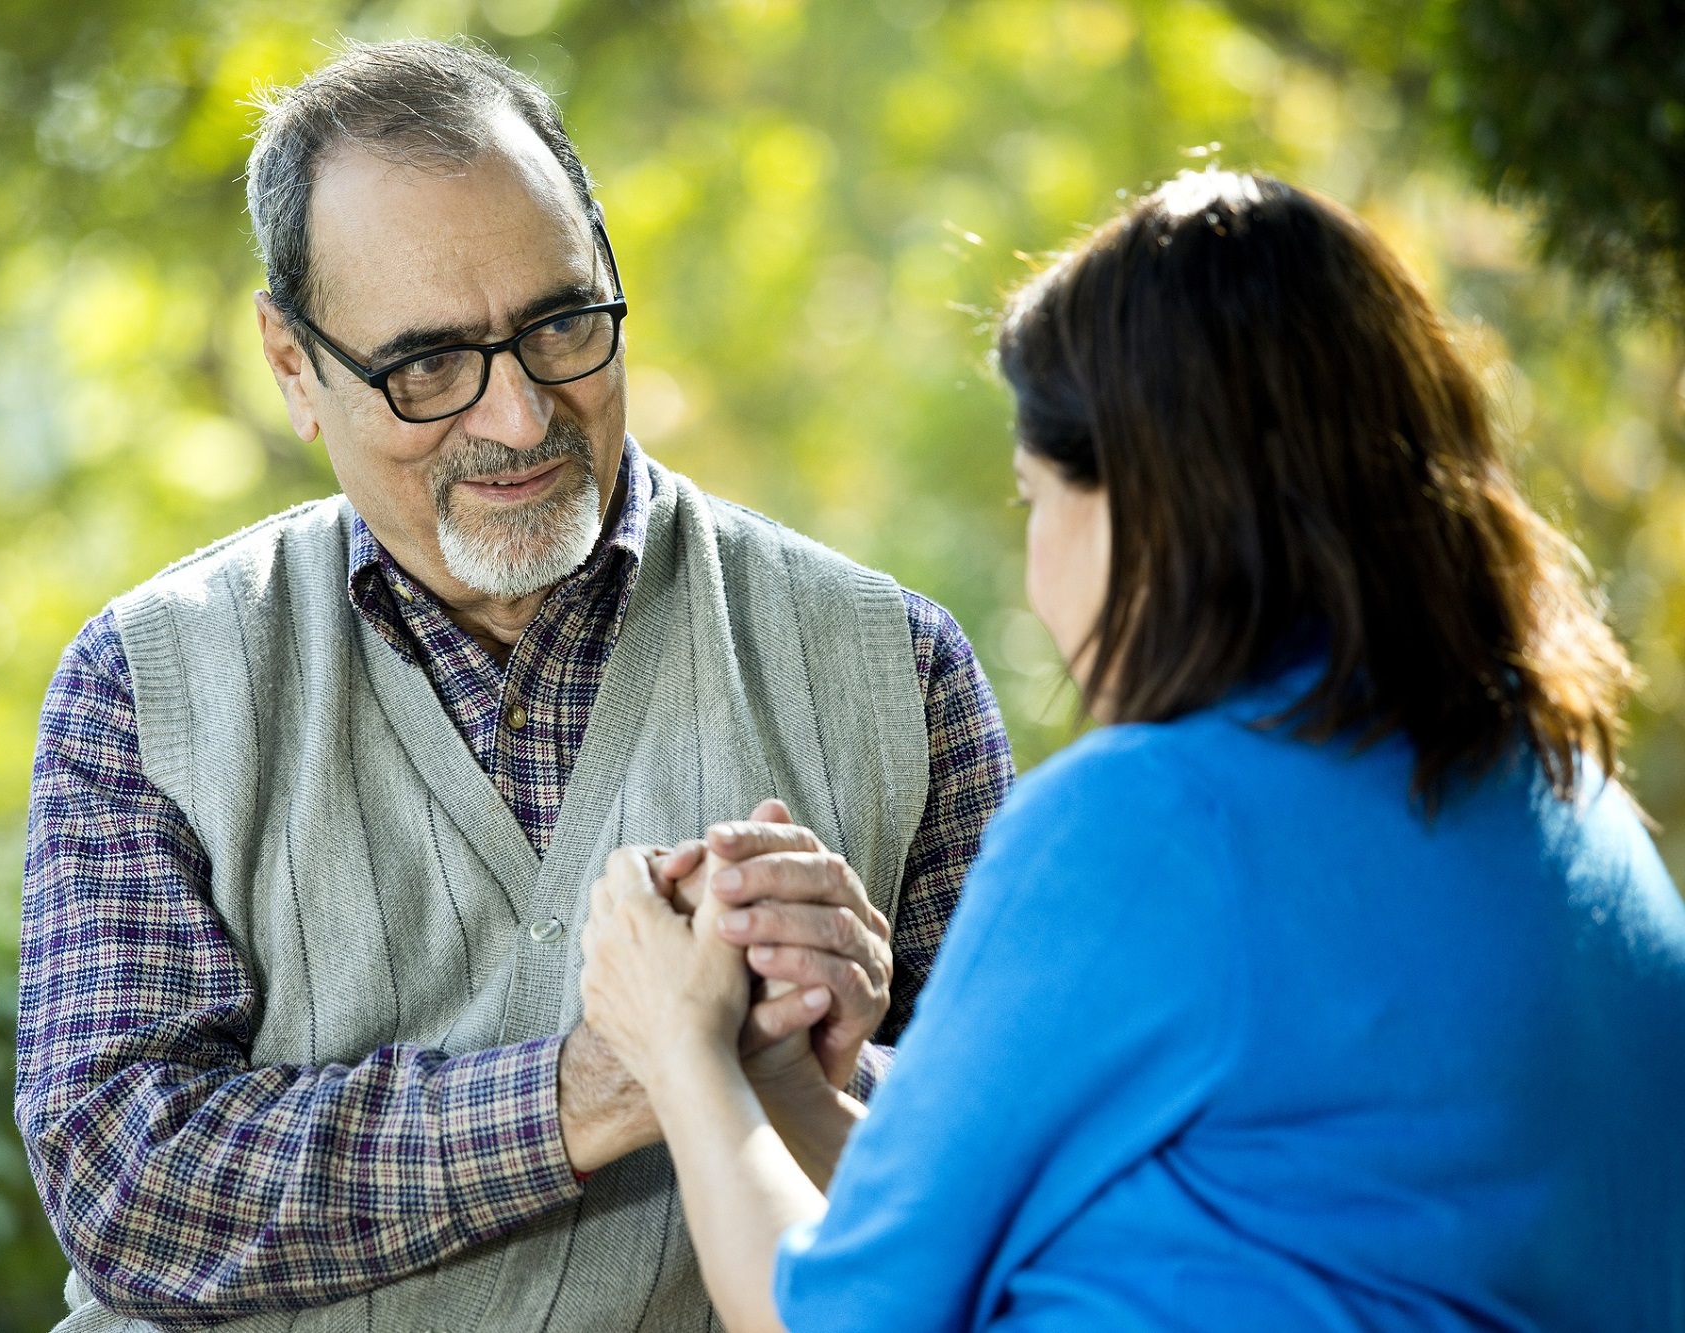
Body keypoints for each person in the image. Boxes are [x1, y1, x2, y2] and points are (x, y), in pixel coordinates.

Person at [14, 37, 1013, 1333]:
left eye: (559, 326)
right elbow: (127, 1183)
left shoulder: (896, 666)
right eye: (427, 366)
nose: (520, 419)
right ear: (291, 364)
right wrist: (604, 1083)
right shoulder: (142, 687)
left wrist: (812, 1062)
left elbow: (1015, 1180)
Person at [581, 169, 1685, 1333]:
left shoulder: (1154, 822)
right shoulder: (1564, 792)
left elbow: (830, 1319)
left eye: (1033, 501)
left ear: (1146, 509)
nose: (1034, 572)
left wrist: (676, 1042)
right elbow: (940, 1242)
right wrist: (775, 1085)